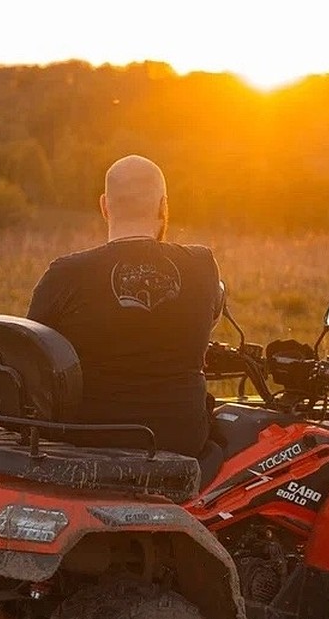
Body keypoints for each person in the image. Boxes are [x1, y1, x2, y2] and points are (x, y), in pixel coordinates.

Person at [27, 155, 222, 456]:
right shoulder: (202, 265)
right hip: (180, 443)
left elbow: (32, 359)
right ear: (163, 206)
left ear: (104, 206)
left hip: (86, 442)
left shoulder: (65, 273)